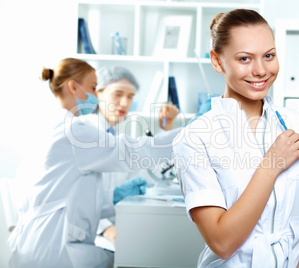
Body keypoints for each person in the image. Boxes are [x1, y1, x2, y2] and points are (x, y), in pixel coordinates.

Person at [172, 9, 299, 268]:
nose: (261, 70)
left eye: (269, 56)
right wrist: (271, 164)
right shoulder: (194, 139)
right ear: (217, 61)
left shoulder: (296, 125)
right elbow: (223, 242)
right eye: (245, 59)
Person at [8, 58, 177, 268]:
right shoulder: (75, 132)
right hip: (52, 248)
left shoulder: (56, 126)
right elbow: (132, 151)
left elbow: (70, 197)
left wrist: (110, 199)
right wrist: (189, 134)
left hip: (39, 243)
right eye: (93, 87)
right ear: (73, 87)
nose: (95, 95)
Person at [91, 65, 179, 245]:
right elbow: (70, 198)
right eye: (118, 94)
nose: (125, 103)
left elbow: (142, 173)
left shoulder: (112, 136)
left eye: (130, 96)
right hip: (88, 234)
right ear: (98, 93)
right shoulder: (85, 136)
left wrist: (166, 126)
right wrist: (105, 228)